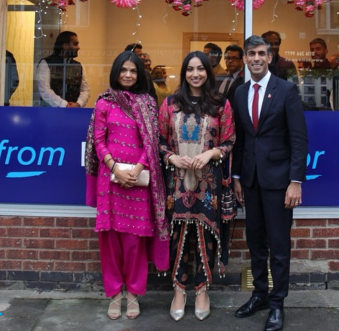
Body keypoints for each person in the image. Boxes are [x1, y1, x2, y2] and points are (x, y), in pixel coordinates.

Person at [84, 51, 169, 321]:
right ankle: (114, 294)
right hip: (110, 181)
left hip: (138, 180)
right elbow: (98, 140)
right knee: (109, 241)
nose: (128, 75)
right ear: (116, 72)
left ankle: (133, 293)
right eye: (124, 70)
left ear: (140, 74)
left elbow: (152, 142)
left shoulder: (147, 103)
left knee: (134, 242)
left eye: (133, 71)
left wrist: (137, 169)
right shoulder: (104, 103)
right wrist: (114, 168)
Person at [232, 35, 307, 331]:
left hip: (279, 182)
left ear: (270, 56)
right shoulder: (239, 92)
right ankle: (259, 295)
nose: (256, 58)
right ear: (246, 58)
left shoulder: (287, 90)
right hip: (250, 181)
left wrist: (295, 181)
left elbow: (299, 140)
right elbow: (239, 140)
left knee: (278, 246)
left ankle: (277, 304)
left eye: (262, 53)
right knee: (255, 243)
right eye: (251, 54)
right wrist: (237, 176)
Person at [158, 51, 235, 322]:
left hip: (208, 183)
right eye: (190, 69)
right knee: (178, 236)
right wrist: (173, 157)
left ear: (208, 72)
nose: (195, 74)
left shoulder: (220, 104)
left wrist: (210, 154)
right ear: (184, 72)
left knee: (205, 238)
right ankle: (178, 290)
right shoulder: (170, 103)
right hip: (177, 182)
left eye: (200, 69)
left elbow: (229, 141)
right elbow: (160, 141)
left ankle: (202, 290)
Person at [35, 31, 89, 108]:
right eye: (75, 44)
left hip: (74, 112)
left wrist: (78, 104)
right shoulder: (45, 63)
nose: (78, 47)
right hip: (50, 113)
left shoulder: (79, 66)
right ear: (65, 45)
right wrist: (64, 104)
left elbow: (85, 90)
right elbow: (44, 90)